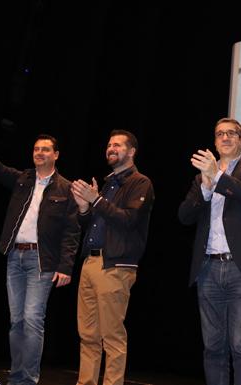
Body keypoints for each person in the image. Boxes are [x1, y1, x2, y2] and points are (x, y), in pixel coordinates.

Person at [0, 118, 80, 385]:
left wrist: (65, 266)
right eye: (37, 149)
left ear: (56, 155)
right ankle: (17, 377)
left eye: (46, 149)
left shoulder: (66, 188)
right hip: (15, 256)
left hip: (42, 261)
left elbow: (71, 232)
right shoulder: (23, 179)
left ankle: (28, 379)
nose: (40, 152)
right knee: (16, 321)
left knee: (32, 320)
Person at [178, 118, 241, 385]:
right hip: (208, 269)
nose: (225, 138)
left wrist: (219, 176)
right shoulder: (201, 177)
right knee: (213, 347)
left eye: (232, 133)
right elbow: (184, 216)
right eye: (220, 134)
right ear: (214, 141)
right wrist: (205, 186)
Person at [70, 130, 154, 385]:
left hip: (115, 265)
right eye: (109, 144)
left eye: (117, 145)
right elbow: (92, 224)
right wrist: (84, 208)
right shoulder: (108, 184)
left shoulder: (140, 183)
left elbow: (128, 220)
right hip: (91, 263)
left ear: (131, 152)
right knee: (88, 335)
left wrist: (95, 200)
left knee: (112, 336)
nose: (111, 148)